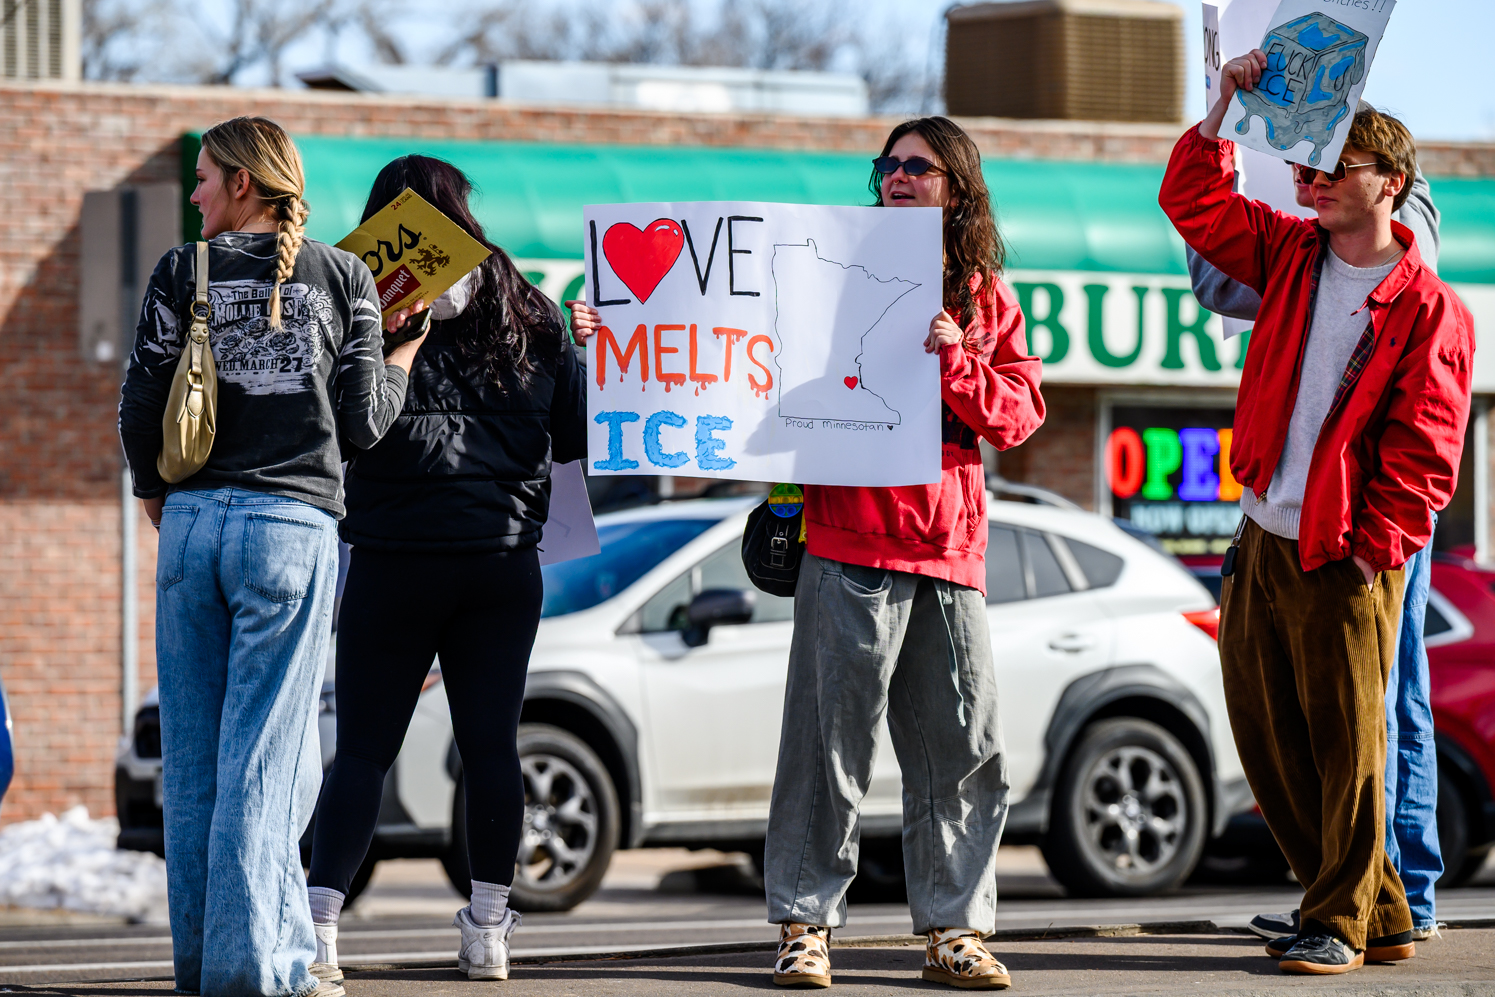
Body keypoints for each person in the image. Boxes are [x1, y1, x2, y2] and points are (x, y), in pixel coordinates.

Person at [574, 115, 1043, 990]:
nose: (898, 178)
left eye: (919, 167)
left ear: (958, 187)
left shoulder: (984, 298)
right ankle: (804, 925)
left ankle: (954, 929)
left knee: (964, 750)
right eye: (889, 165)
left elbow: (1017, 417)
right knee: (826, 748)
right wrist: (618, 327)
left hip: (948, 551)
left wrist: (955, 359)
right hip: (844, 541)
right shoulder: (817, 271)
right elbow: (717, 350)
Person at [1160, 52, 1474, 975]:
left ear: (1393, 186)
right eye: (1306, 165)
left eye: (1336, 167)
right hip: (1261, 529)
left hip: (1346, 551)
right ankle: (1371, 908)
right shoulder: (1288, 251)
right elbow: (1193, 198)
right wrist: (1225, 102)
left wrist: (1373, 548)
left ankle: (1335, 917)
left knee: (1352, 741)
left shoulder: (1428, 309)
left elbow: (1426, 453)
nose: (1311, 178)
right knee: (1263, 730)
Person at [118, 116, 417, 997]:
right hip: (291, 529)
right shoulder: (347, 275)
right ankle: (259, 971)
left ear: (245, 182)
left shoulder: (182, 270)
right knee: (267, 759)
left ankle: (204, 962)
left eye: (206, 177)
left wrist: (154, 490)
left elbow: (141, 391)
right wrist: (402, 349)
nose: (196, 191)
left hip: (193, 526)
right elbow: (364, 422)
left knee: (197, 760)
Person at [305, 155, 586, 983]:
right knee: (491, 746)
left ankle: (321, 931)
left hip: (393, 558)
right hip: (501, 563)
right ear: (464, 214)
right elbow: (571, 440)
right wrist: (580, 354)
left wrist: (386, 343)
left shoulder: (362, 301)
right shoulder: (532, 310)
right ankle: (489, 930)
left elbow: (336, 426)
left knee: (361, 751)